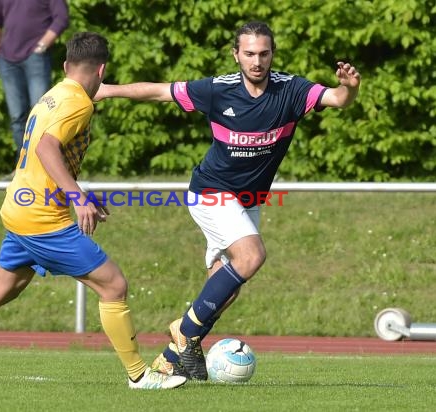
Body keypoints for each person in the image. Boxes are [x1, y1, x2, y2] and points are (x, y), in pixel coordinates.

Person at [0, 32, 187, 390]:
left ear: (66, 65)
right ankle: (139, 375)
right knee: (113, 285)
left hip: (18, 207)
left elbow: (102, 99)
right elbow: (46, 148)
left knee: (2, 288)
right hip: (42, 219)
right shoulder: (79, 104)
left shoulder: (56, 95)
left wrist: (77, 193)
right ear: (102, 69)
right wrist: (78, 198)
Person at [95, 21, 361, 380]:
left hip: (247, 200)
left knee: (225, 288)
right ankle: (185, 332)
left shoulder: (292, 90)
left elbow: (338, 99)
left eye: (263, 53)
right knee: (251, 256)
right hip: (210, 192)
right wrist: (105, 89)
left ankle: (172, 357)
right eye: (249, 53)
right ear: (236, 54)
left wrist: (349, 88)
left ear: (272, 55)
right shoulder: (217, 90)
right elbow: (159, 91)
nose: (257, 61)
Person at [0, 0, 69, 168]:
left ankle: (46, 167)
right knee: (17, 117)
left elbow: (61, 18)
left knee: (41, 115)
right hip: (7, 59)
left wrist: (43, 44)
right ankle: (23, 167)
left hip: (36, 57)